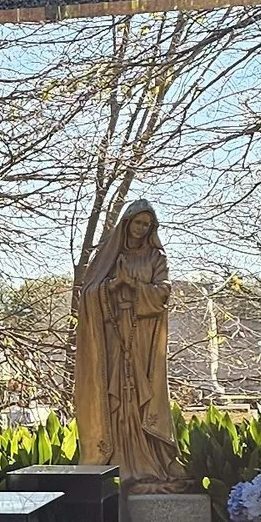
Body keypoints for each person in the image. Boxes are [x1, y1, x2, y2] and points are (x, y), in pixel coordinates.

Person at [72, 198, 184, 486]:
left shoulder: (157, 258)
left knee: (140, 392)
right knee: (117, 393)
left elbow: (163, 292)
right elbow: (88, 293)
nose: (141, 228)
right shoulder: (109, 257)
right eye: (137, 222)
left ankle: (148, 456)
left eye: (147, 224)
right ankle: (116, 456)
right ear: (127, 223)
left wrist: (134, 286)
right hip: (111, 333)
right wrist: (111, 287)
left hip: (143, 335)